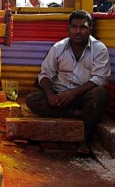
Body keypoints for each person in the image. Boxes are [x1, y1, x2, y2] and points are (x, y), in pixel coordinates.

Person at [26, 10, 111, 154]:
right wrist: (51, 95)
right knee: (32, 100)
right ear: (68, 28)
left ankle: (84, 137)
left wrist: (73, 94)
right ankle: (76, 113)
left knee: (100, 94)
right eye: (74, 27)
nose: (78, 31)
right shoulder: (58, 48)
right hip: (59, 95)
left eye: (83, 27)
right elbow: (45, 74)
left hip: (83, 95)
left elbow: (100, 78)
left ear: (90, 29)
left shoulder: (99, 49)